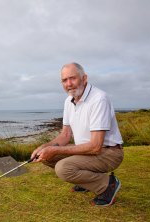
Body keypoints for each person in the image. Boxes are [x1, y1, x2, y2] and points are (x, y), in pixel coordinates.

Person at [31, 62, 124, 206]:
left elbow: (95, 146)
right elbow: (65, 135)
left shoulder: (99, 99)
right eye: (64, 80)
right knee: (46, 156)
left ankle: (107, 186)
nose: (69, 84)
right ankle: (86, 182)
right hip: (87, 152)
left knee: (63, 168)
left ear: (84, 78)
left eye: (72, 78)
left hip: (109, 152)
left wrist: (54, 149)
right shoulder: (68, 101)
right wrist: (44, 146)